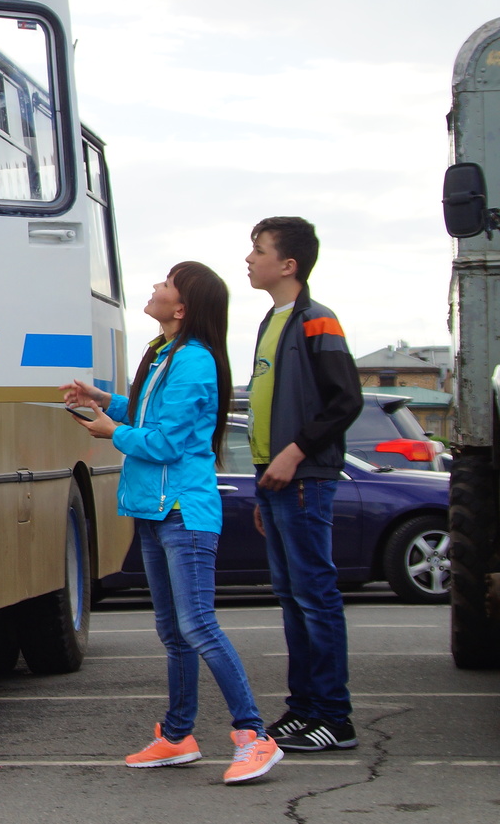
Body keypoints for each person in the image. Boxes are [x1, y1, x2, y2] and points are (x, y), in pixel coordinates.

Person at [63, 262, 282, 785]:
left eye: (165, 284)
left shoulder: (194, 362)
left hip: (184, 510)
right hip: (156, 509)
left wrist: (112, 430)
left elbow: (166, 442)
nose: (155, 288)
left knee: (197, 626)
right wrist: (103, 401)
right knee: (174, 631)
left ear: (181, 308)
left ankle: (255, 736)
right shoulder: (166, 354)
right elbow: (148, 417)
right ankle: (179, 735)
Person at [245, 216, 363, 752]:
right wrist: (264, 487)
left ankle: (335, 718)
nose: (249, 258)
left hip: (304, 479)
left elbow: (346, 401)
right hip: (276, 483)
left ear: (287, 264)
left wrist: (293, 455)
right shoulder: (272, 319)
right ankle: (303, 708)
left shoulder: (319, 320)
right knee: (293, 598)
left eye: (258, 249)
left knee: (316, 598)